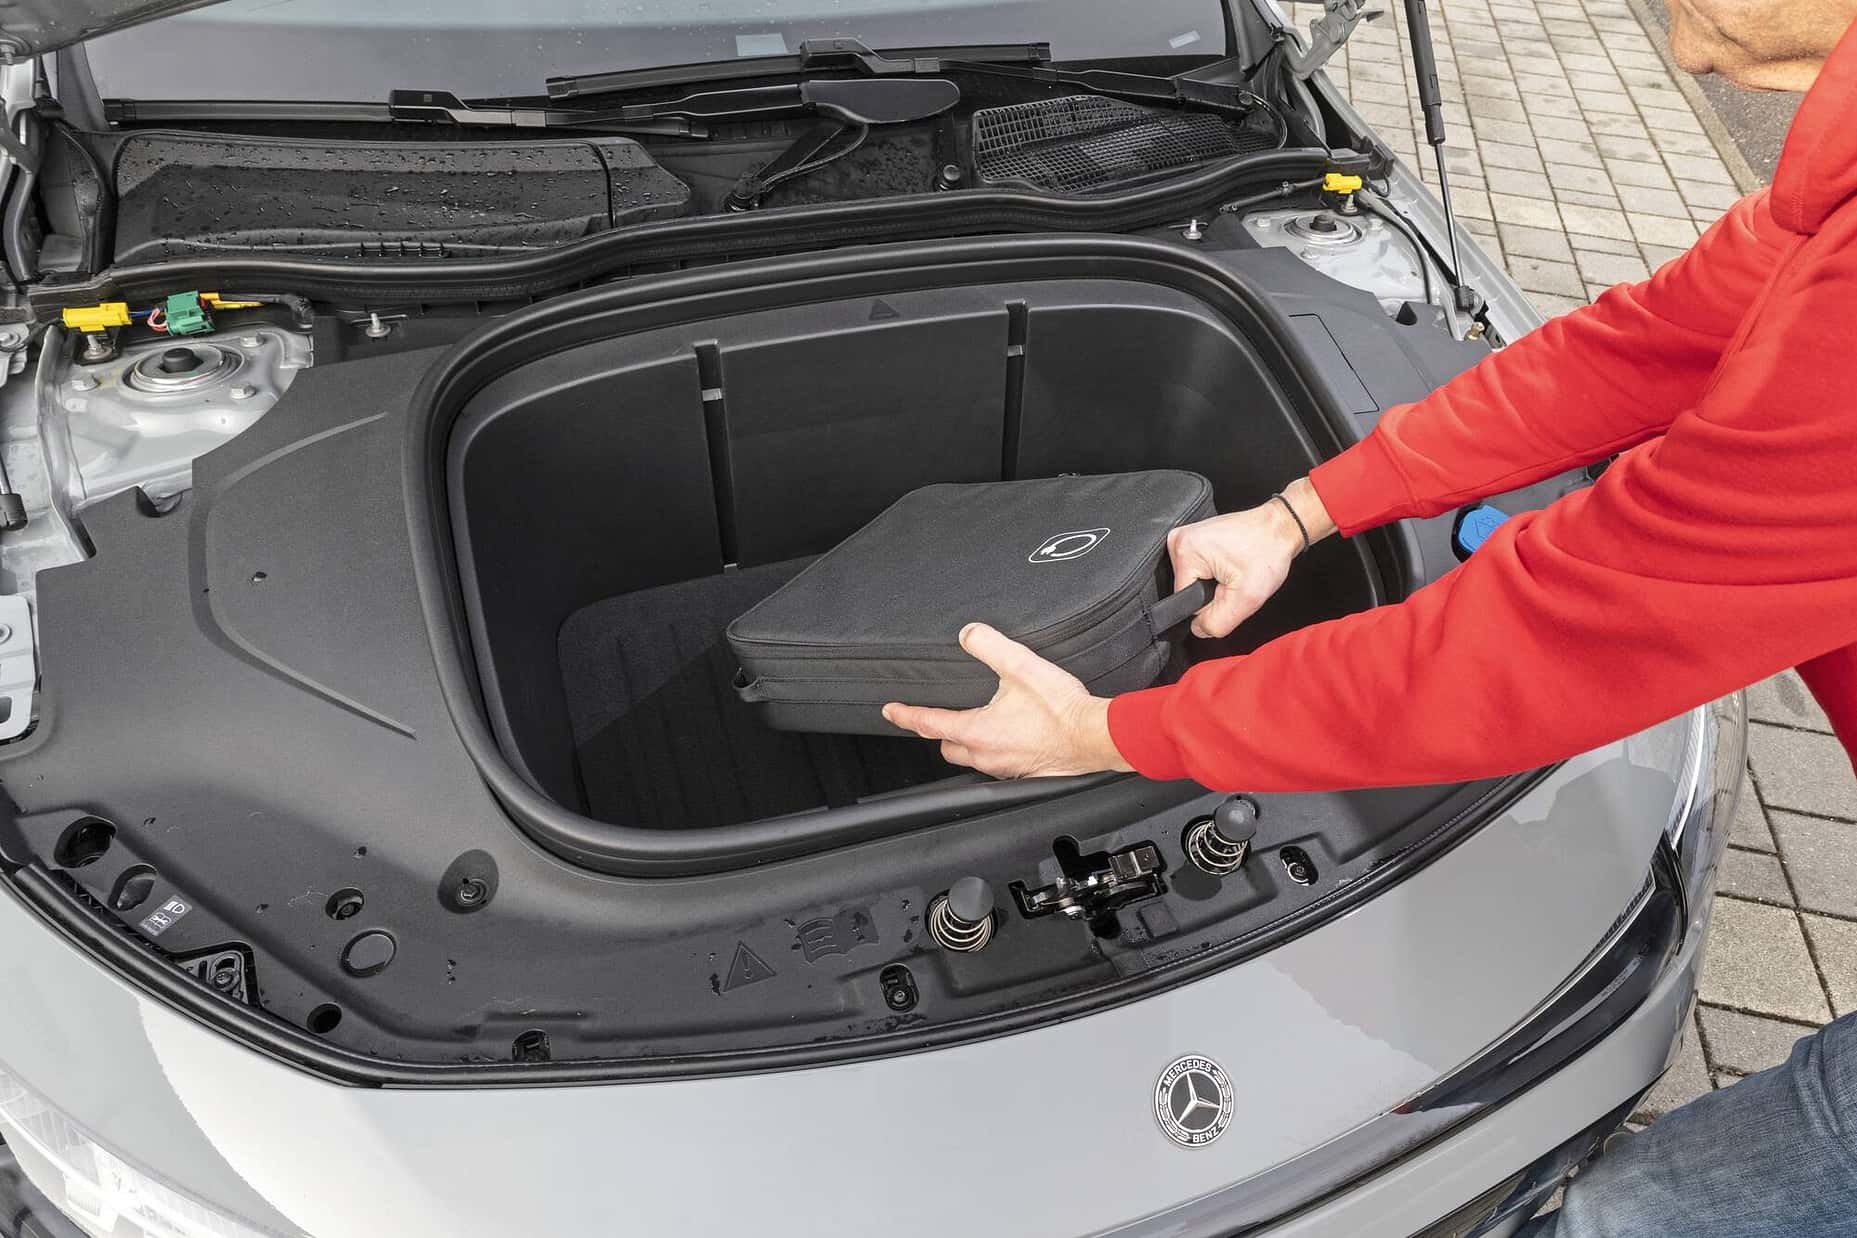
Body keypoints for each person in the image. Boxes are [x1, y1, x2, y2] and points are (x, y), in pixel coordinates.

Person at [883, 0, 1857, 1231]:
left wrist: (1109, 732)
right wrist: (1299, 513)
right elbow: (1630, 352)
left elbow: (1540, 642)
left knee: (1633, 1218)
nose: (1657, 8)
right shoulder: (1834, 179)